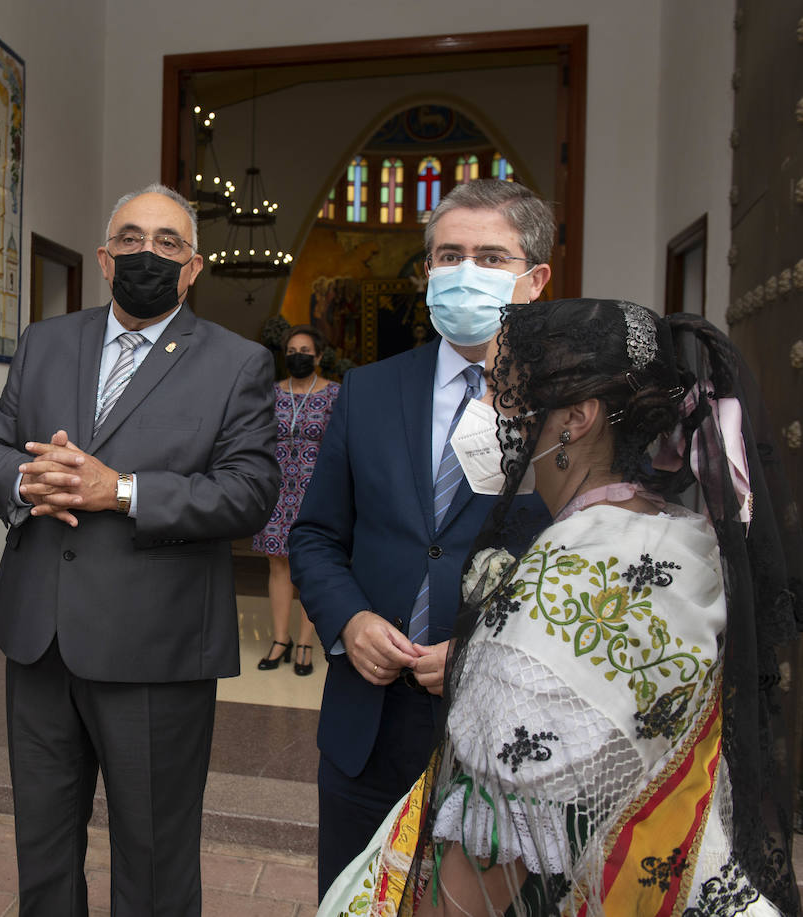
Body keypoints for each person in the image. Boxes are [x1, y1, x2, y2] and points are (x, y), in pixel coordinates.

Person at [316, 299, 802, 916]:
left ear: (576, 418)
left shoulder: (564, 582)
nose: (503, 422)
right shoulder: (685, 538)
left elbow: (478, 879)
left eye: (517, 407)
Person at [0, 183, 279, 915]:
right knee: (42, 850)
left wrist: (125, 490)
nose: (149, 253)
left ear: (194, 267)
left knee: (154, 859)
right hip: (38, 638)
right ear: (105, 260)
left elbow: (250, 490)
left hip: (156, 647)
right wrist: (26, 477)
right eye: (132, 239)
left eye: (168, 242)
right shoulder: (48, 341)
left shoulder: (236, 362)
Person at [290, 178, 553, 896]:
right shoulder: (368, 390)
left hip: (499, 732)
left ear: (535, 280)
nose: (465, 271)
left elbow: (576, 568)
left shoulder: (564, 409)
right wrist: (349, 618)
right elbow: (314, 534)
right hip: (366, 722)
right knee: (355, 900)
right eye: (448, 255)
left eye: (490, 257)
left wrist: (481, 650)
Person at [252, 324, 339, 675]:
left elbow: (343, 447)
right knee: (277, 564)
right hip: (277, 490)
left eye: (305, 351)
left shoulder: (336, 394)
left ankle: (305, 641)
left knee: (311, 565)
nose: (297, 357)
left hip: (316, 492)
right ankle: (280, 639)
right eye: (291, 350)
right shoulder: (270, 393)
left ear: (319, 356)